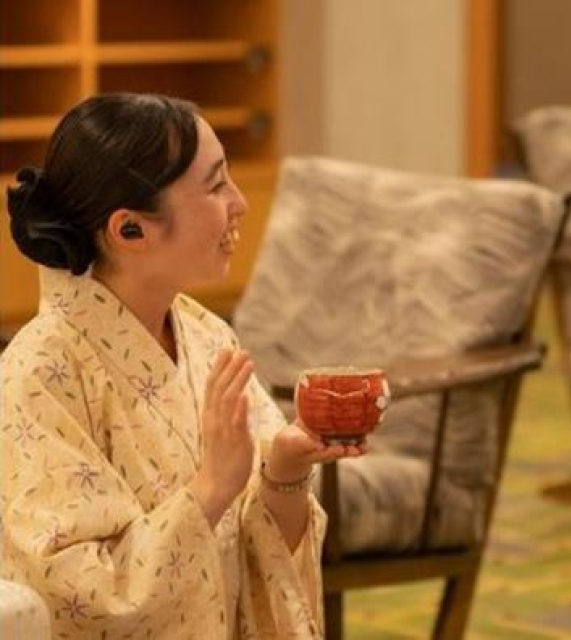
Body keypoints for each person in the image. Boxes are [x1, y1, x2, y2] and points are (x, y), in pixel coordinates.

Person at [0, 93, 364, 638]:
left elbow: (264, 554)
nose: (239, 203)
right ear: (130, 229)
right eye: (215, 186)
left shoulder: (206, 336)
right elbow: (78, 599)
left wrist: (284, 472)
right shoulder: (37, 374)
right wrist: (211, 487)